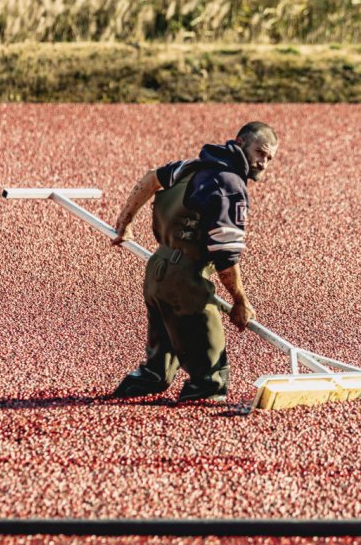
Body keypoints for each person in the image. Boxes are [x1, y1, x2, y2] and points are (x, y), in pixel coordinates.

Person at [110, 122, 279, 403]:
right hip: (186, 283)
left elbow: (151, 179)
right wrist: (240, 301)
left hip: (157, 272)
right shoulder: (230, 186)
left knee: (157, 370)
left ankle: (123, 405)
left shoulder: (190, 167)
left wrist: (125, 221)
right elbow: (225, 258)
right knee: (210, 380)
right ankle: (188, 436)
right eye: (260, 153)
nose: (263, 163)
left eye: (269, 158)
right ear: (240, 143)